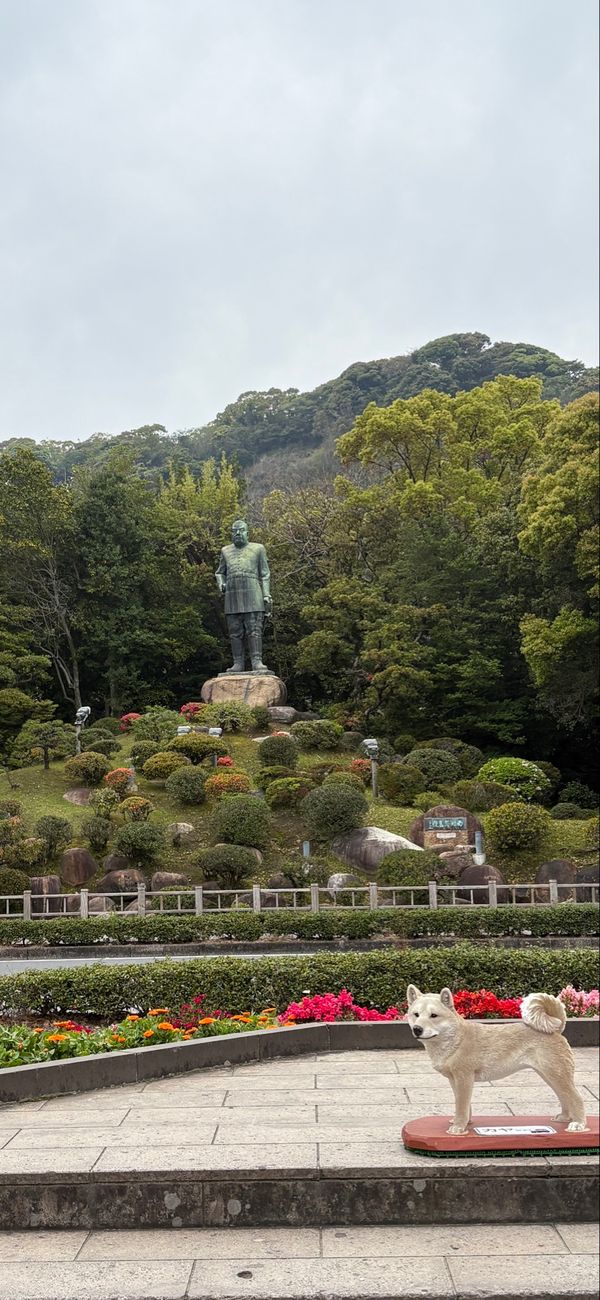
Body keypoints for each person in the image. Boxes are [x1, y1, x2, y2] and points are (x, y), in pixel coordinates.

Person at [215, 520, 273, 673]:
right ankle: (238, 663)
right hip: (232, 594)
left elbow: (265, 573)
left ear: (248, 532)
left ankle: (257, 661)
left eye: (241, 531)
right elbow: (220, 572)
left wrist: (266, 594)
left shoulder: (258, 548)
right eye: (235, 531)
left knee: (254, 628)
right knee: (234, 630)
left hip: (253, 591)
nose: (238, 534)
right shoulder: (225, 551)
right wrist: (221, 583)